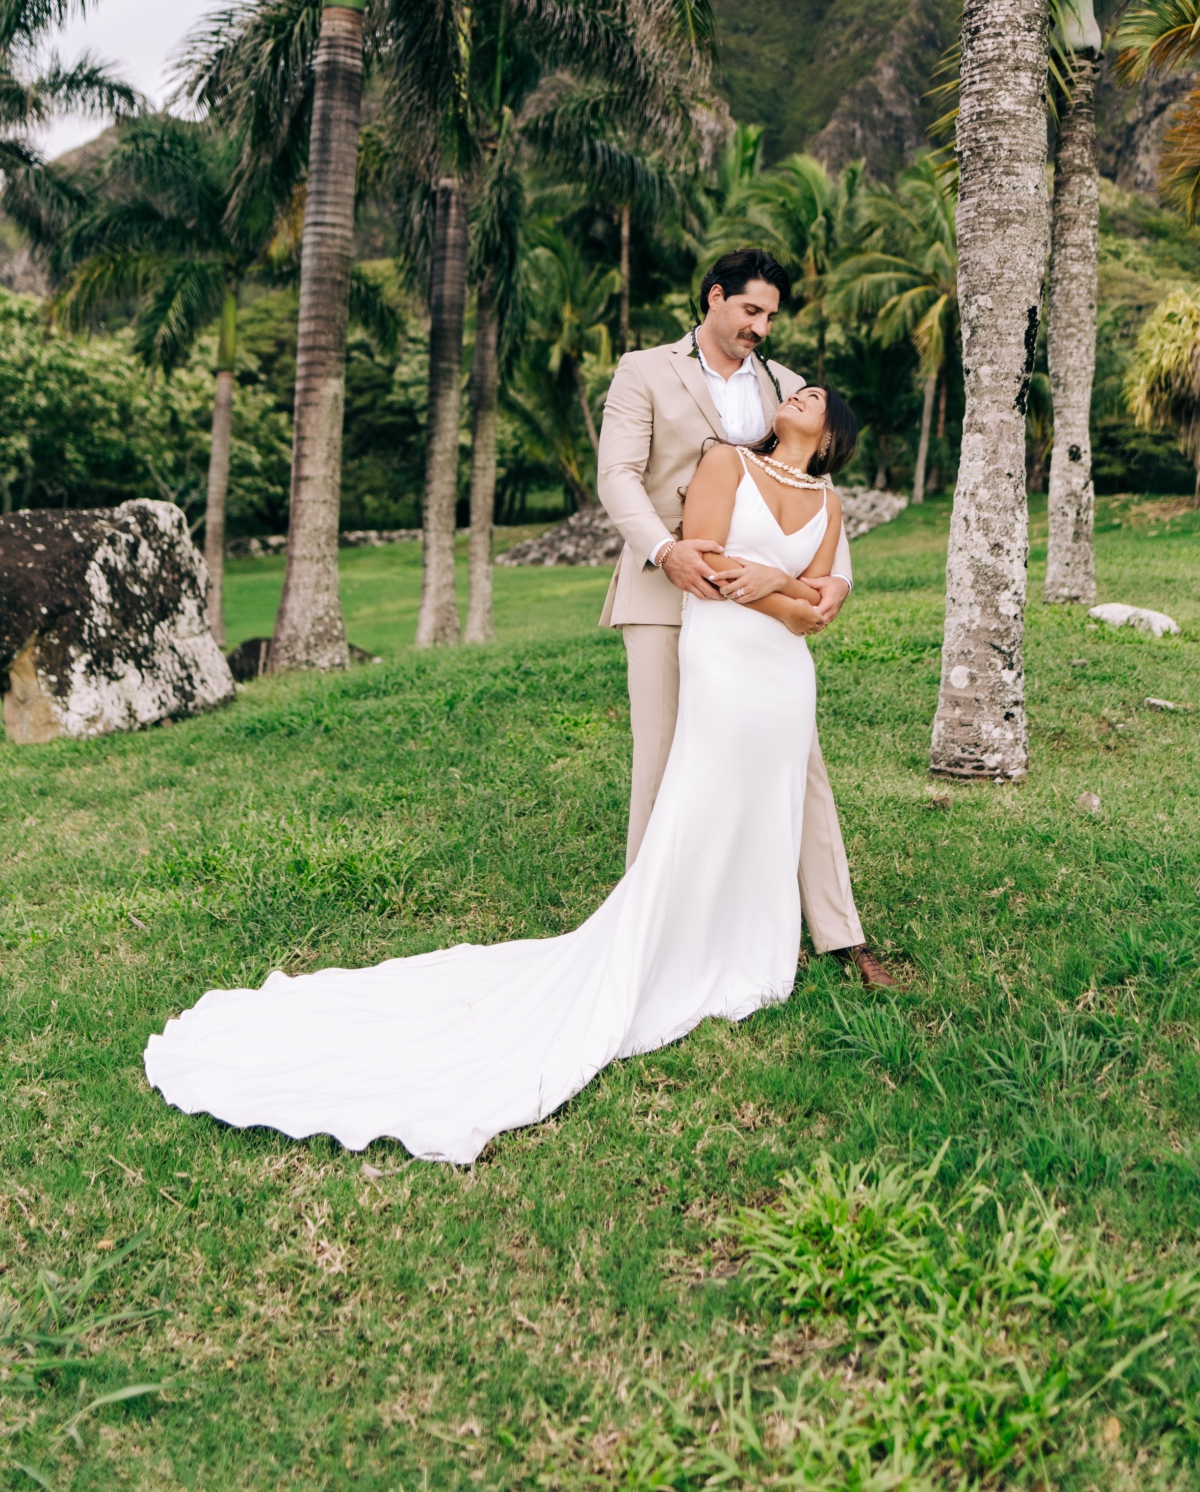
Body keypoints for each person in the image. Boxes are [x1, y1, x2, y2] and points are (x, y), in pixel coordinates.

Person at [144, 382, 873, 1164]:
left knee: (767, 804)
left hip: (787, 678)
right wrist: (779, 588)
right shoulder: (729, 461)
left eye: (816, 397)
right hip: (725, 655)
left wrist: (782, 586)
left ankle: (751, 945)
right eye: (795, 390)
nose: (797, 394)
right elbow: (710, 566)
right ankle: (677, 941)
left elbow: (821, 610)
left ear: (831, 435)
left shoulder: (828, 501)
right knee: (704, 798)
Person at [597, 247, 892, 988]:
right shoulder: (644, 370)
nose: (762, 326)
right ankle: (650, 931)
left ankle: (838, 932)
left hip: (762, 608)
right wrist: (667, 552)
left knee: (801, 763)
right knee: (663, 761)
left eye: (771, 316)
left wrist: (838, 583)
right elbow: (617, 475)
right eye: (751, 310)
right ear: (715, 298)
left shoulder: (786, 386)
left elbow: (811, 485)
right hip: (664, 586)